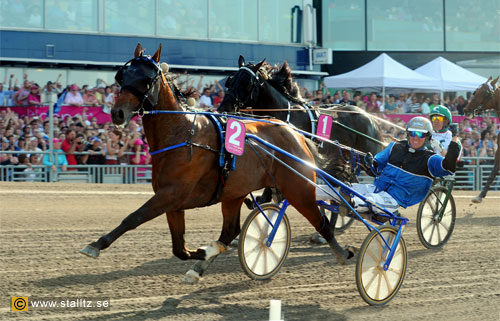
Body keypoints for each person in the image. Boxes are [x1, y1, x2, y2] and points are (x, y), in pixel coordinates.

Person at [351, 116, 460, 216]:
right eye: (413, 133)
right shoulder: (395, 147)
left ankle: (350, 202)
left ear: (427, 137)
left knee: (368, 199)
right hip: (375, 188)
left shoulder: (430, 159)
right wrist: (369, 163)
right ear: (408, 134)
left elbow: (449, 166)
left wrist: (454, 138)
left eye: (420, 134)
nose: (415, 138)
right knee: (347, 188)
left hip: (394, 198)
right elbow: (375, 166)